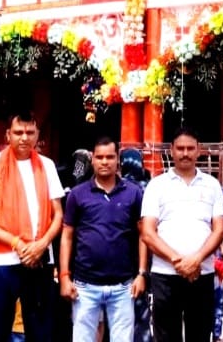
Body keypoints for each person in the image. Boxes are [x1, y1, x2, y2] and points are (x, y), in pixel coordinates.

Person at [0, 110, 64, 342]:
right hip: (3, 261)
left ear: (37, 135)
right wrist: (17, 243)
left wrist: (41, 244)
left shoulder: (47, 166)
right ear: (7, 135)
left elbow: (58, 214)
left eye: (29, 132)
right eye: (18, 132)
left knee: (41, 334)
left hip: (40, 260)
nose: (24, 138)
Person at [140, 126, 223, 342]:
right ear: (171, 150)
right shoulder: (156, 185)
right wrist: (178, 261)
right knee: (166, 337)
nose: (185, 153)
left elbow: (219, 230)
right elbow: (148, 233)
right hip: (165, 276)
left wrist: (196, 260)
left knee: (199, 335)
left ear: (199, 151)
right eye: (180, 148)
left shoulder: (212, 185)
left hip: (202, 274)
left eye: (190, 148)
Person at [60, 136, 147, 342]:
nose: (105, 162)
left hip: (123, 286)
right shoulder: (77, 194)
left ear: (118, 159)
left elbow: (144, 235)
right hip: (85, 286)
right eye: (100, 157)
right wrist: (64, 276)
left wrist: (142, 273)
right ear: (92, 159)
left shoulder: (134, 193)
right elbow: (67, 235)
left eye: (110, 157)